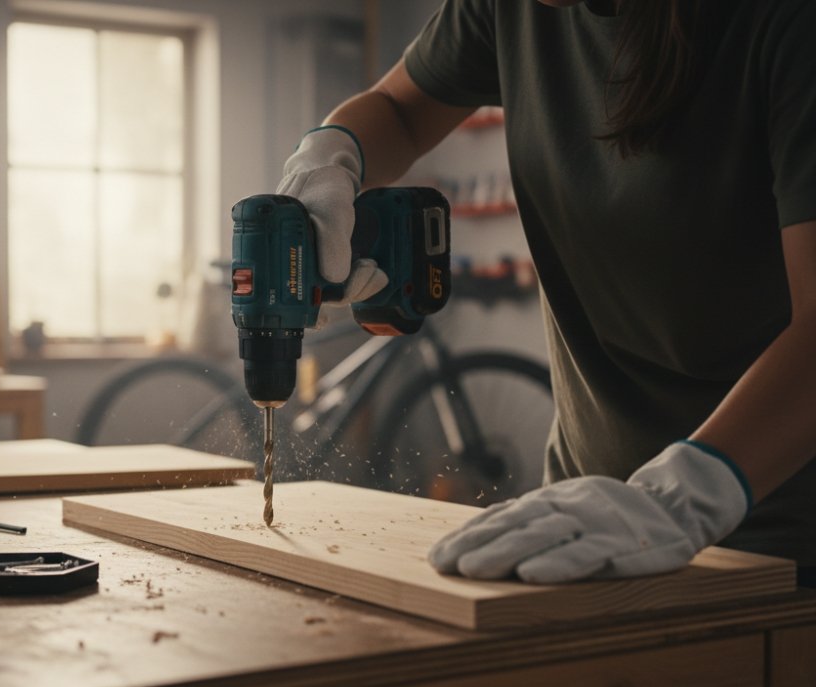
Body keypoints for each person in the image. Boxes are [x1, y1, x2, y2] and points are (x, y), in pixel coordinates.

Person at [276, 0, 815, 585]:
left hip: (778, 544)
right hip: (584, 521)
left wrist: (683, 497)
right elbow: (400, 109)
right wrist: (331, 156)